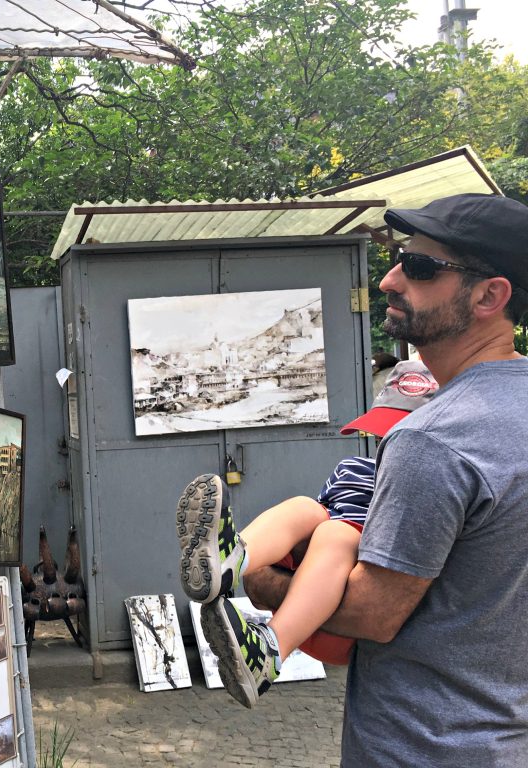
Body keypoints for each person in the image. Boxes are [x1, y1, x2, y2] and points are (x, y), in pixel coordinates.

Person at [227, 193, 528, 766]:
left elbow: (372, 613)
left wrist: (264, 584)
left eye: (419, 268)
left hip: (422, 747)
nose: (390, 279)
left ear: (491, 295)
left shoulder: (435, 439)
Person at [177, 359, 438, 706]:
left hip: (353, 621)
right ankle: (230, 559)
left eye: (407, 438)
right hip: (314, 608)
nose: (391, 446)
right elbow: (309, 525)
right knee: (306, 507)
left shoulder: (434, 487)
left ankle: (270, 651)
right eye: (385, 434)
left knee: (336, 534)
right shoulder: (352, 469)